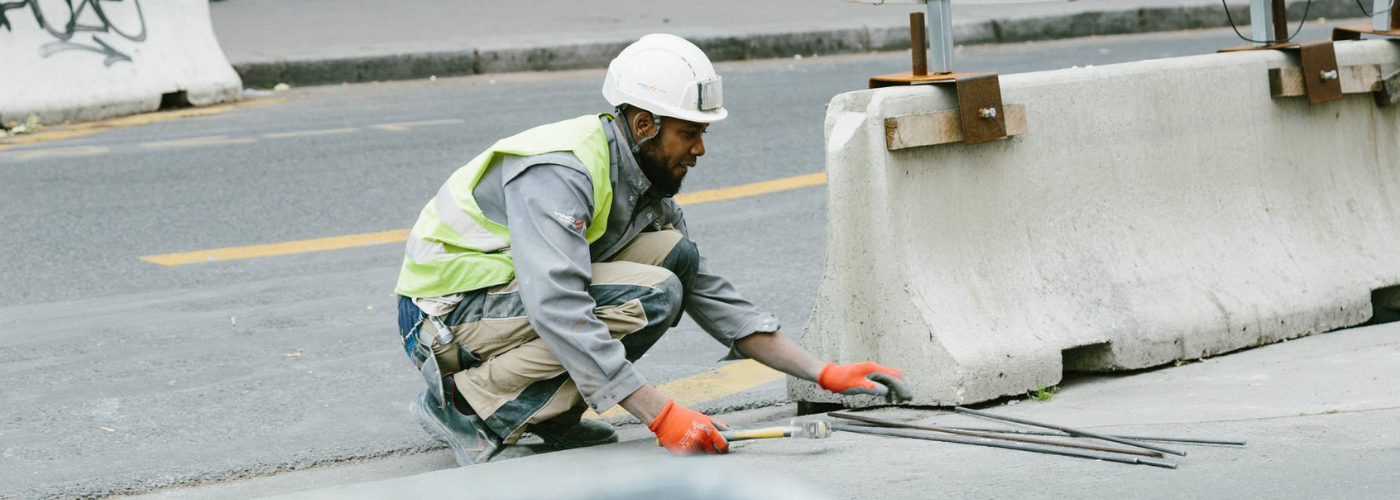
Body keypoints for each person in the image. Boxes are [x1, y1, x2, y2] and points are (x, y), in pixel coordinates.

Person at [394, 33, 911, 466]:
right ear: (644, 125)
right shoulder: (561, 171)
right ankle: (466, 408)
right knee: (653, 294)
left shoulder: (643, 182)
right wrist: (661, 415)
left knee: (675, 259)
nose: (700, 149)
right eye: (689, 133)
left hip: (497, 306)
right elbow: (557, 305)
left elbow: (711, 295)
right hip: (442, 319)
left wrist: (823, 372)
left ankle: (548, 416)